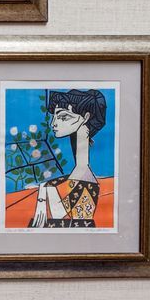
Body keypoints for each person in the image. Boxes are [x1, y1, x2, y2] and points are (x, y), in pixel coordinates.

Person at [31, 88, 105, 229]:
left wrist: (44, 191)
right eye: (54, 117)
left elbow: (58, 213)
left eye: (63, 117)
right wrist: (48, 185)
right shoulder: (81, 170)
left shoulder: (83, 174)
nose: (53, 123)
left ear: (86, 117)